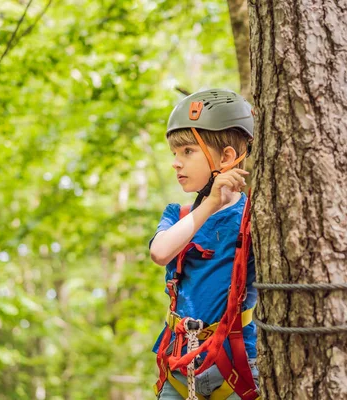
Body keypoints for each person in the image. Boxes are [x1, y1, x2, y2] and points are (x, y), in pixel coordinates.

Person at [150, 89, 260, 400]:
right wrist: (209, 205)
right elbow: (160, 251)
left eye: (187, 152)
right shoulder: (178, 214)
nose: (176, 163)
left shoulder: (253, 215)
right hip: (178, 368)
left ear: (226, 157)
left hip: (238, 365)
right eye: (174, 153)